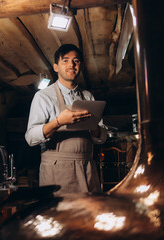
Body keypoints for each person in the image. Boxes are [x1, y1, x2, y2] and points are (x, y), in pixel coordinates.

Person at [25, 44, 107, 195]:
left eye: (76, 61)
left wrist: (93, 125)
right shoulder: (43, 96)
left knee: (89, 214)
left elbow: (101, 138)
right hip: (57, 170)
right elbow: (30, 138)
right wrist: (59, 122)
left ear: (80, 65)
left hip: (87, 168)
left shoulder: (88, 96)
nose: (71, 64)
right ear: (56, 67)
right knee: (60, 216)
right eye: (66, 60)